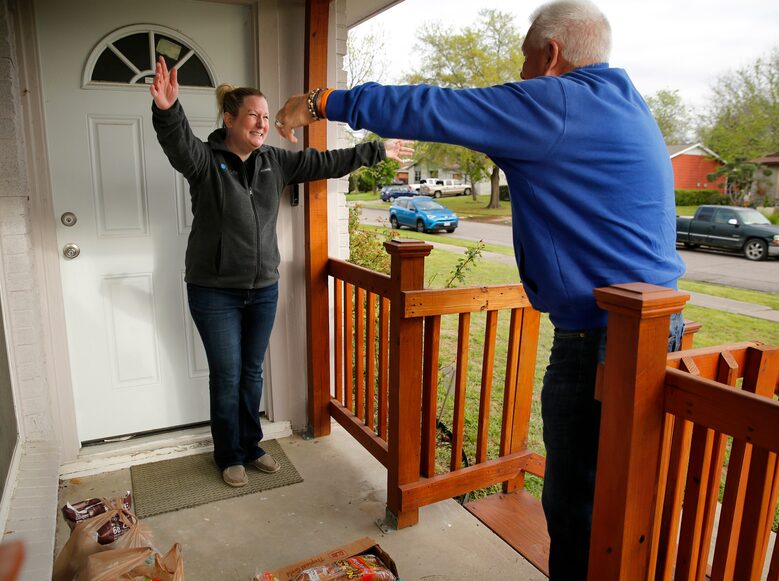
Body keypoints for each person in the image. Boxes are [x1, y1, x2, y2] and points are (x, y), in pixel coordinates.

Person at [275, 1, 686, 577]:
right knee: (611, 503)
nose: (519, 73)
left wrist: (322, 102)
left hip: (606, 338)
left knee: (579, 508)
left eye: (524, 58)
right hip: (640, 327)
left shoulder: (558, 102)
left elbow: (435, 107)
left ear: (551, 56)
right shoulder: (624, 105)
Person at [149, 56, 411, 488]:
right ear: (229, 118)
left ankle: (252, 446)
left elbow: (326, 163)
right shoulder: (204, 162)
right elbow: (178, 143)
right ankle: (228, 455)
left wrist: (376, 149)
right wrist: (167, 110)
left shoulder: (275, 161)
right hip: (214, 291)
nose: (261, 123)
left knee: (252, 372)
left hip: (263, 288)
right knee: (228, 374)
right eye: (253, 115)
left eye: (267, 117)